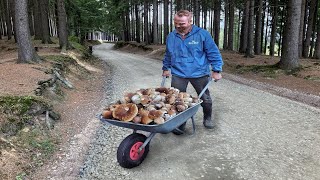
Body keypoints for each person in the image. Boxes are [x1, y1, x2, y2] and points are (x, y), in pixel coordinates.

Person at [162, 10, 223, 129]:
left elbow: (213, 52)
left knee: (205, 98)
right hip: (178, 73)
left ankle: (207, 118)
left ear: (190, 21)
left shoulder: (202, 34)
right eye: (176, 23)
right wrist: (166, 68)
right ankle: (180, 123)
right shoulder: (171, 36)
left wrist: (216, 70)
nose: (178, 26)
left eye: (182, 23)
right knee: (177, 100)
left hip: (199, 73)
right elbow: (168, 54)